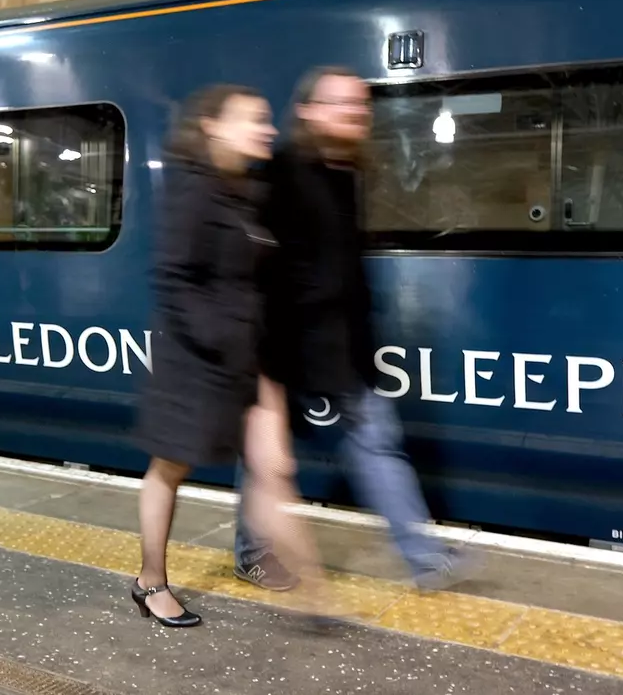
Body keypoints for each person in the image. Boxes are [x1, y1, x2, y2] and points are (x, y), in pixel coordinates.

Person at [234, 66, 478, 594]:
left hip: (341, 350)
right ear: (308, 111)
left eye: (360, 106)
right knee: (268, 458)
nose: (354, 114)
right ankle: (254, 552)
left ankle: (423, 555)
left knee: (372, 445)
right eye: (340, 104)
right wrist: (266, 374)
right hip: (288, 353)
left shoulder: (344, 172)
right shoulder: (279, 177)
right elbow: (261, 280)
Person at [132, 84, 330, 628]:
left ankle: (313, 593)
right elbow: (173, 279)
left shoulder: (243, 188)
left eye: (268, 120)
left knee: (273, 467)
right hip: (197, 360)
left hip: (251, 356)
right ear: (213, 126)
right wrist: (219, 340)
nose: (266, 129)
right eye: (253, 119)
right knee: (170, 468)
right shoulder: (193, 191)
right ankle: (151, 582)